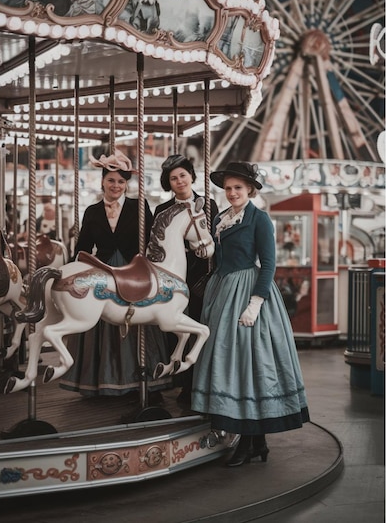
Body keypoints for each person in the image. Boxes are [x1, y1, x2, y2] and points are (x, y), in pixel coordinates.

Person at [191, 161, 310, 467]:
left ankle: (251, 441)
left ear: (251, 190)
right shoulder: (221, 218)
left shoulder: (259, 220)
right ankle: (253, 441)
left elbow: (269, 264)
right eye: (228, 188)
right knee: (230, 361)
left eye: (238, 188)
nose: (232, 193)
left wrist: (256, 303)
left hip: (248, 291)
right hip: (222, 291)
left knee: (250, 362)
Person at [59, 149, 171, 399]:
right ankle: (101, 381)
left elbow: (153, 241)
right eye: (111, 180)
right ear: (102, 181)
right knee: (96, 323)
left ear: (126, 184)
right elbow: (83, 248)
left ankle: (143, 380)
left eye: (121, 181)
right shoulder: (92, 211)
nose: (116, 186)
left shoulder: (139, 206)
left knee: (140, 322)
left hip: (133, 270)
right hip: (103, 269)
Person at [153, 154, 219, 404]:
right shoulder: (162, 210)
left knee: (199, 322)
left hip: (200, 274)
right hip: (171, 278)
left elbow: (214, 237)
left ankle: (198, 384)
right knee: (174, 328)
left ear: (191, 176)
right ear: (168, 183)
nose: (179, 181)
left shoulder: (208, 204)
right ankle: (180, 381)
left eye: (183, 175)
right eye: (173, 178)